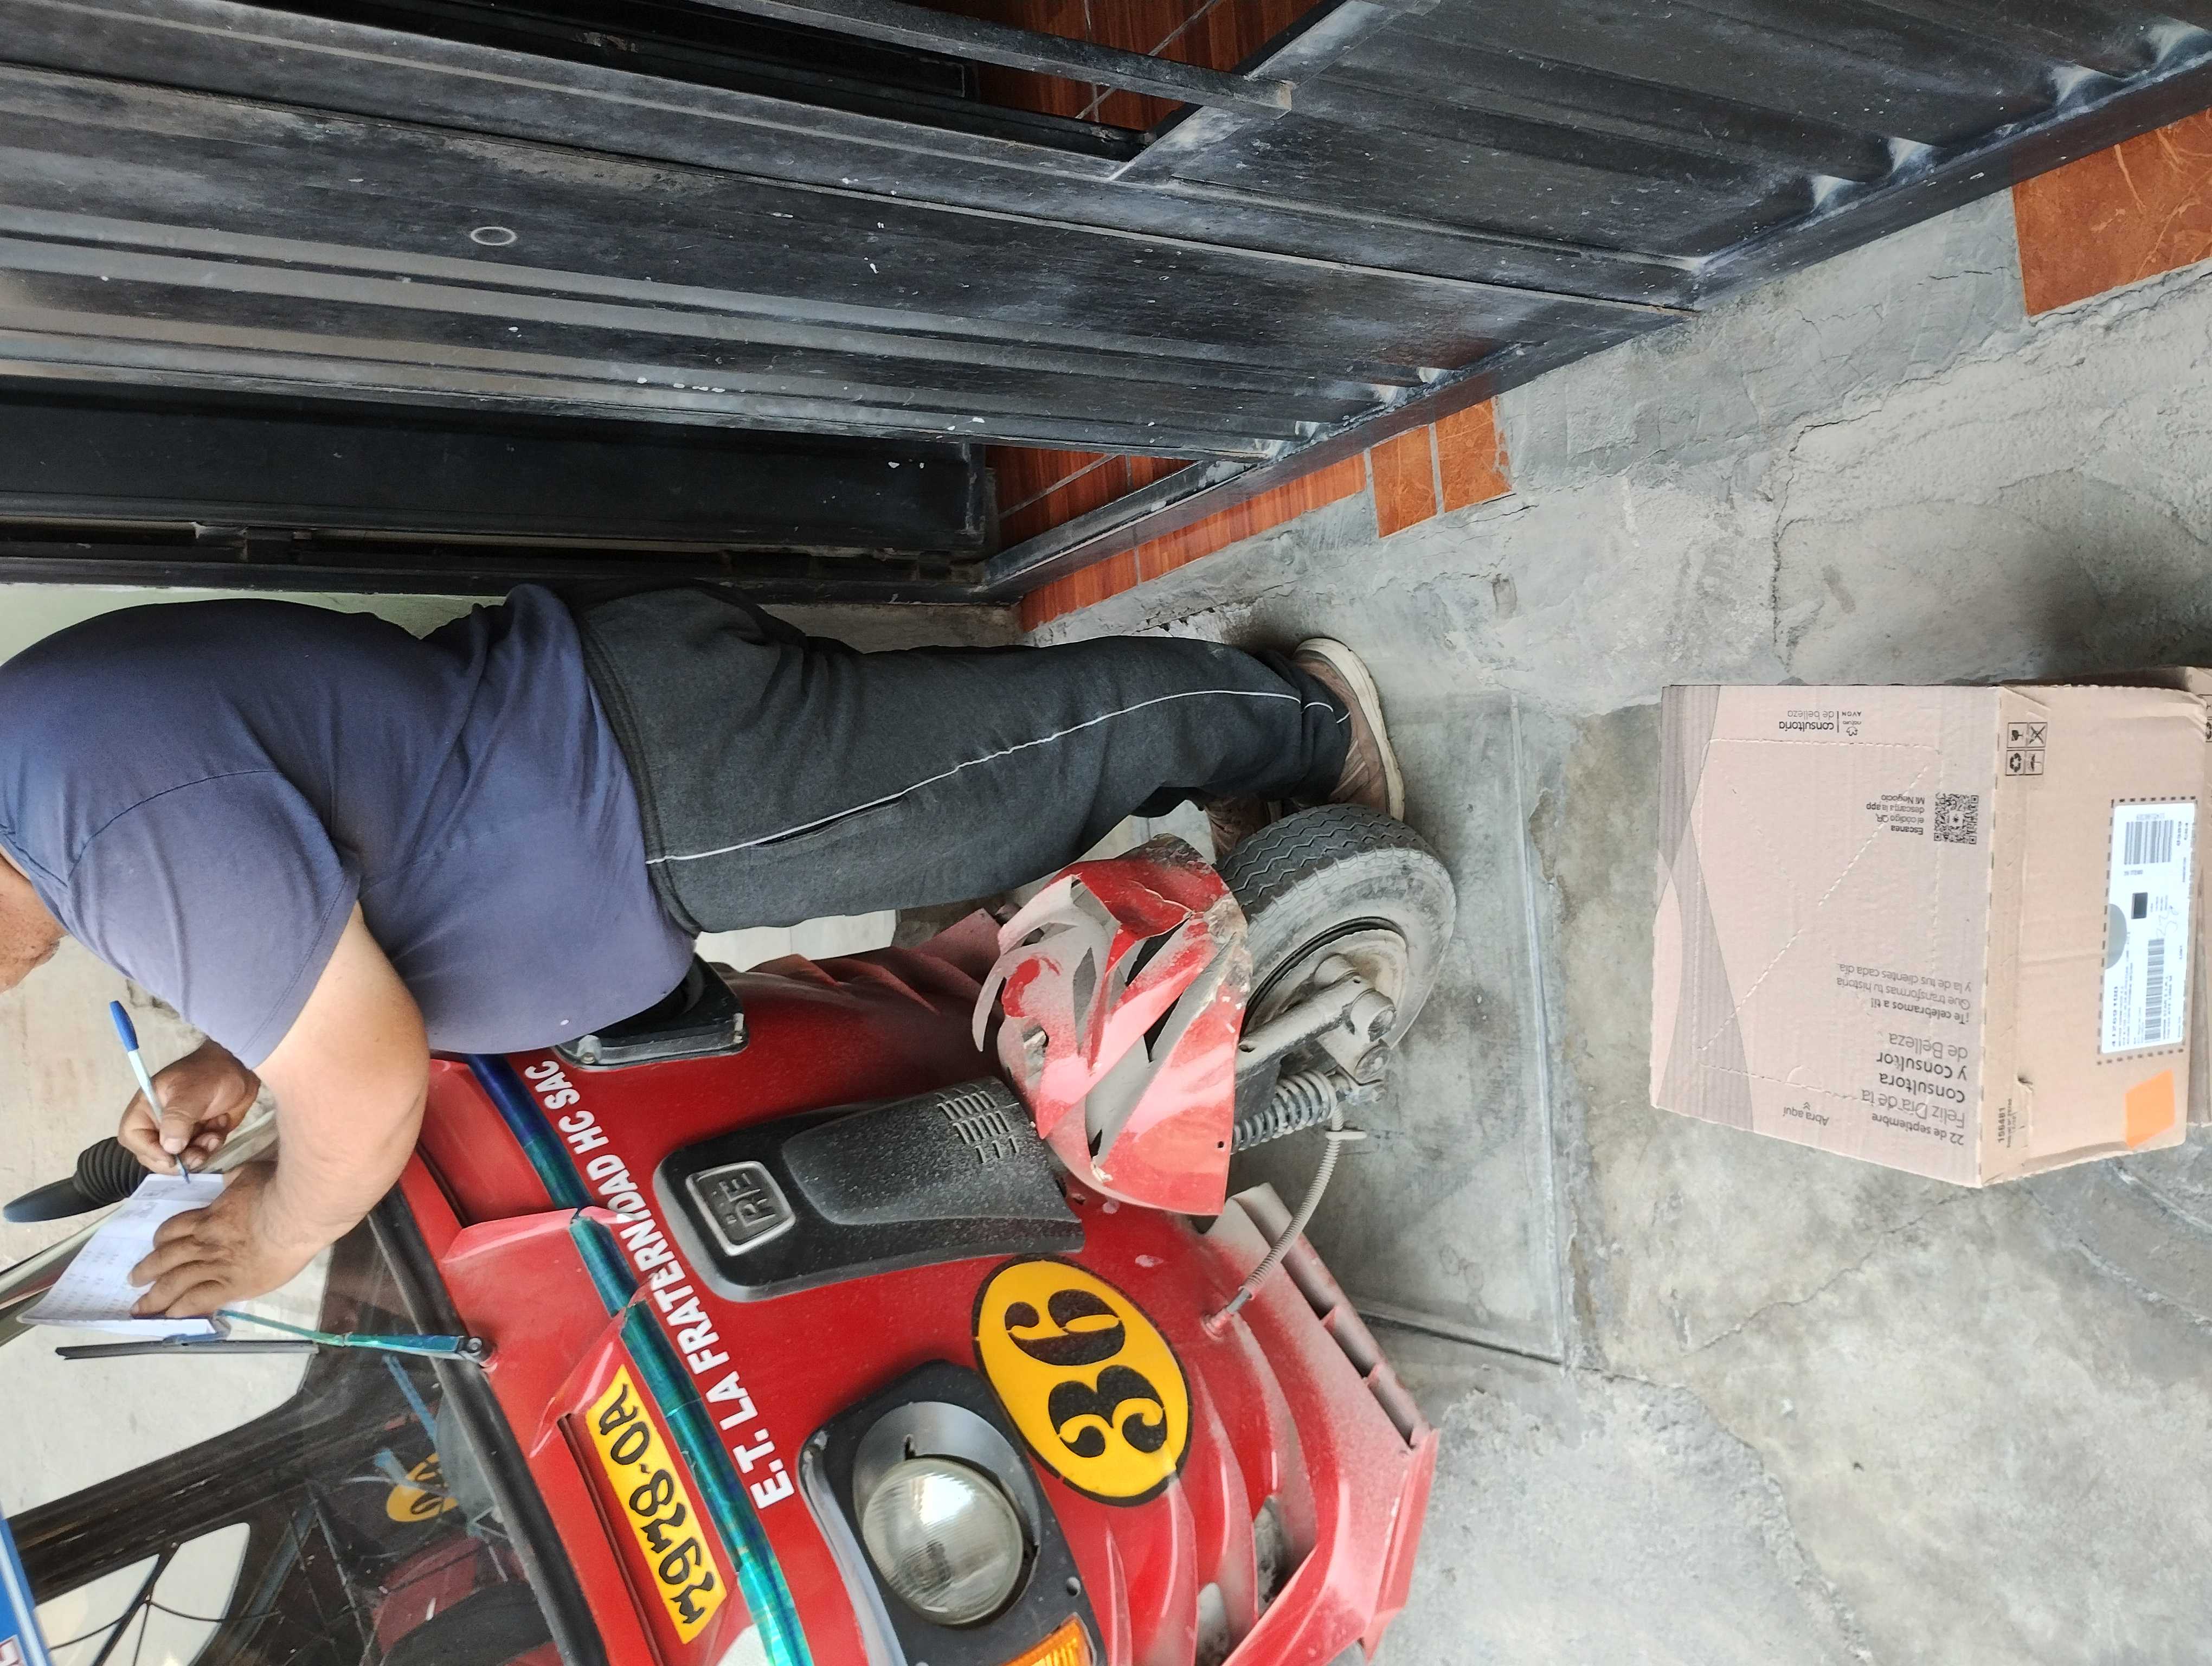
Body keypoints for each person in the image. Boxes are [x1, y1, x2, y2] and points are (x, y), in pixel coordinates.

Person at [0, 585, 1402, 1316]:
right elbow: (305, 881)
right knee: (986, 780)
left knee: (1010, 778)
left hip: (655, 782)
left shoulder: (93, 817)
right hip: (635, 780)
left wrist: (274, 1233)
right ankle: (1254, 730)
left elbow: (364, 1087)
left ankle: (1308, 724)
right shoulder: (49, 775)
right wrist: (239, 1056)